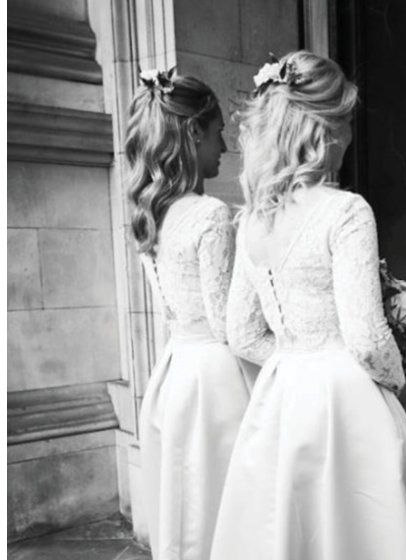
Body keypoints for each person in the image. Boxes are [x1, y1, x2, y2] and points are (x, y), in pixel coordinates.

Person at [209, 51, 406, 559]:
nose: (350, 136)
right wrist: (393, 380)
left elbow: (241, 332)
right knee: (359, 527)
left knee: (288, 527)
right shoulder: (345, 210)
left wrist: (294, 360)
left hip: (281, 391)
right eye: (347, 122)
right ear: (327, 129)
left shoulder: (250, 220)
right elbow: (364, 335)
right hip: (345, 397)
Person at [126, 68, 251, 559]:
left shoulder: (152, 214)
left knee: (189, 505)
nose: (225, 147)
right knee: (227, 502)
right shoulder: (209, 215)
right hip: (217, 379)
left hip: (175, 371)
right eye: (219, 132)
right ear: (194, 131)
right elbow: (228, 323)